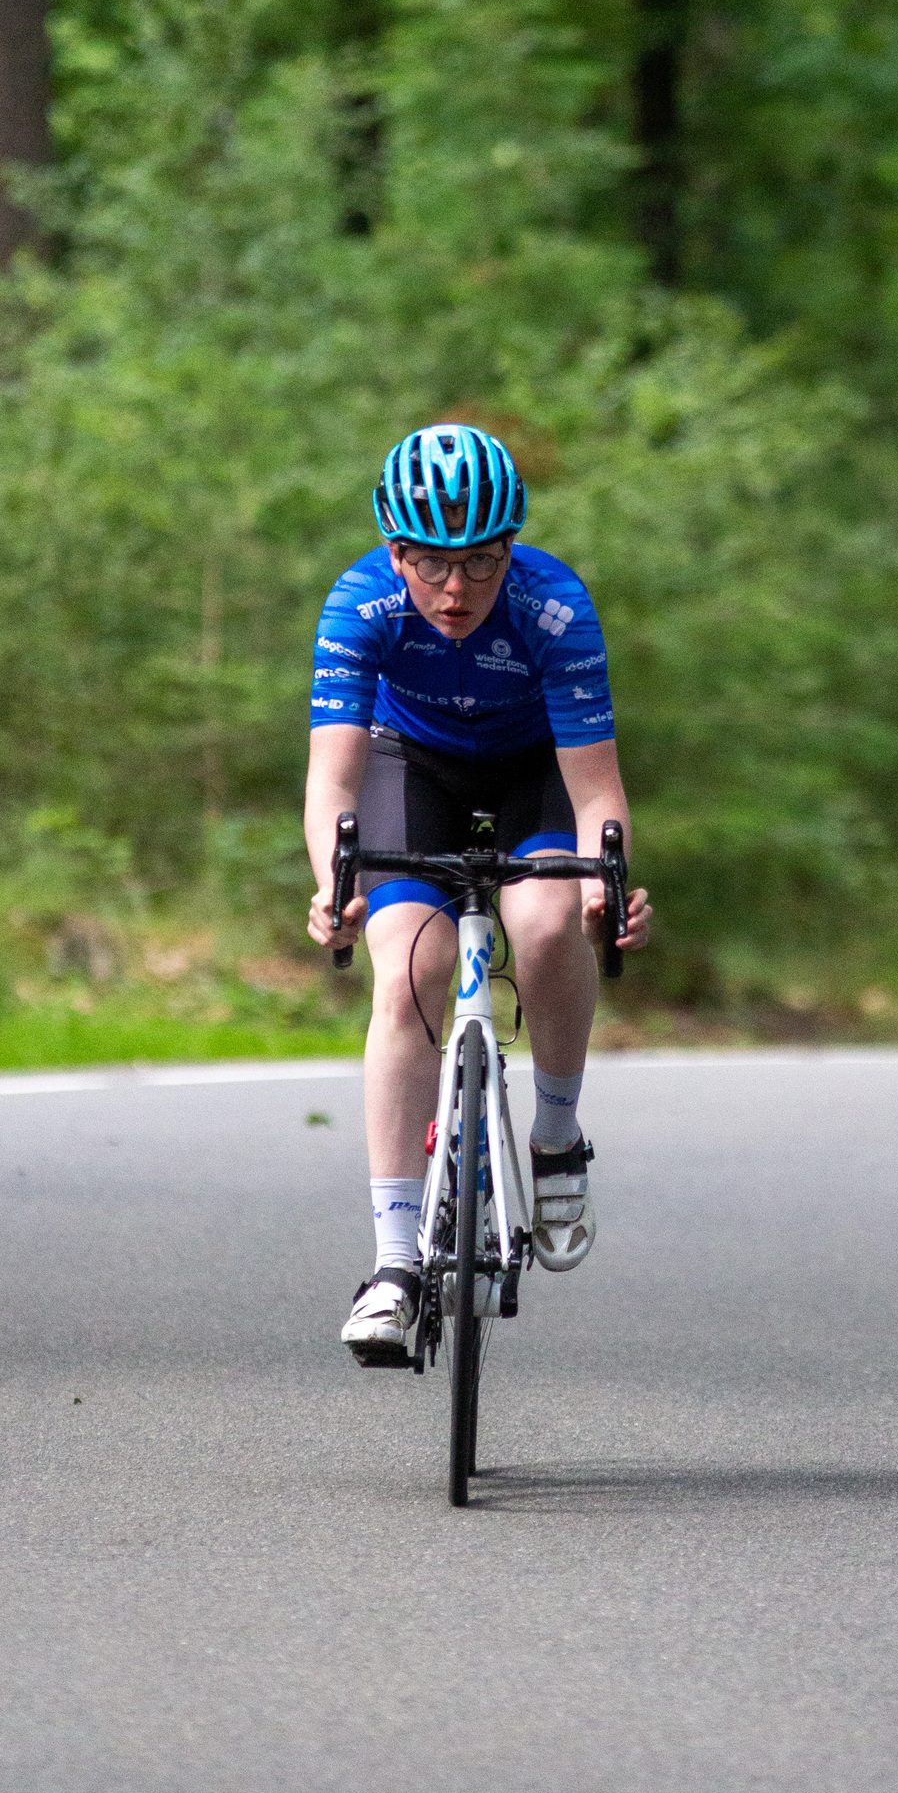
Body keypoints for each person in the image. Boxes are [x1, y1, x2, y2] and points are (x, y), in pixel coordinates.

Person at [304, 422, 653, 1363]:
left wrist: (608, 885)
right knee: (410, 970)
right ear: (394, 550)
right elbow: (333, 785)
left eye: (484, 563)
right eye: (430, 563)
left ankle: (555, 1137)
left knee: (544, 925)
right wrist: (330, 886)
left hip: (531, 767)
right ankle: (392, 1266)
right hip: (409, 763)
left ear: (512, 549)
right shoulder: (361, 603)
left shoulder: (553, 607)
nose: (456, 590)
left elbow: (595, 791)